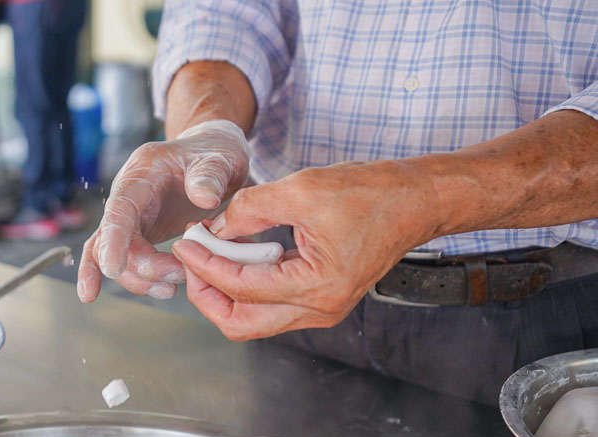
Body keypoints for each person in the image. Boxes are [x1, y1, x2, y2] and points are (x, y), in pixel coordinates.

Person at [76, 0, 598, 404]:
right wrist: (207, 126)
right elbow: (227, 11)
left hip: (542, 317)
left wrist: (426, 198)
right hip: (289, 279)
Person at [0, 0, 88, 240]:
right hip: (67, 8)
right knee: (57, 103)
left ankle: (38, 207)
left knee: (34, 107)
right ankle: (61, 199)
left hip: (35, 8)